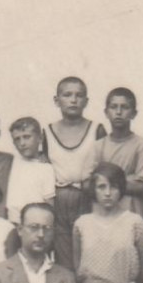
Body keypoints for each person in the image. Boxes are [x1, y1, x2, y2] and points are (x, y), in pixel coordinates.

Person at [45, 76, 102, 270]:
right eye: (67, 95)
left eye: (79, 95)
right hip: (58, 200)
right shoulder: (47, 131)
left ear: (86, 101)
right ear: (56, 100)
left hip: (87, 197)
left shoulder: (96, 129)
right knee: (63, 257)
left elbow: (103, 167)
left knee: (89, 254)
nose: (73, 100)